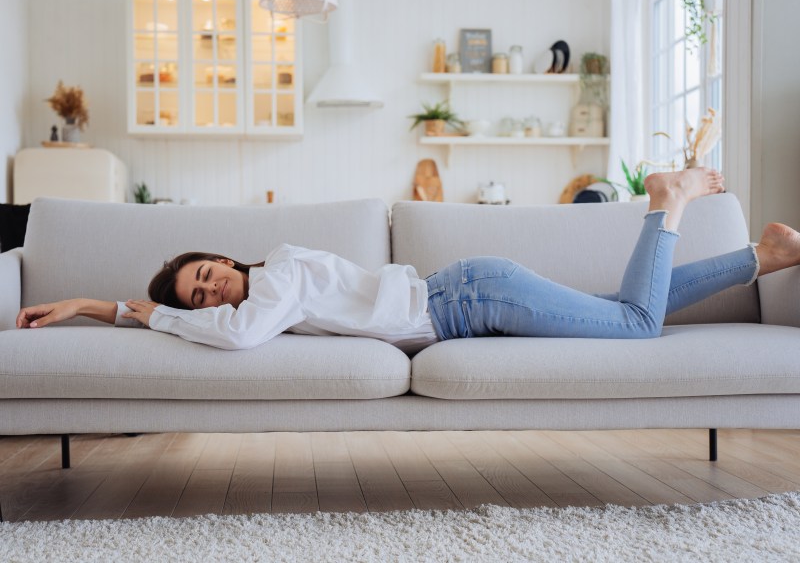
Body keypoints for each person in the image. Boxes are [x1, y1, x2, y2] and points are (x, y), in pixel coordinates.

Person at [15, 168, 800, 352]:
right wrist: (105, 305)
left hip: (468, 304)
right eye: (201, 294)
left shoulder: (273, 280)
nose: (213, 287)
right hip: (469, 292)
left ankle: (669, 201)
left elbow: (241, 337)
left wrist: (124, 309)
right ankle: (761, 259)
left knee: (632, 326)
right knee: (626, 306)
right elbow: (235, 329)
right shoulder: (271, 288)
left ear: (225, 260)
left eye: (207, 272)